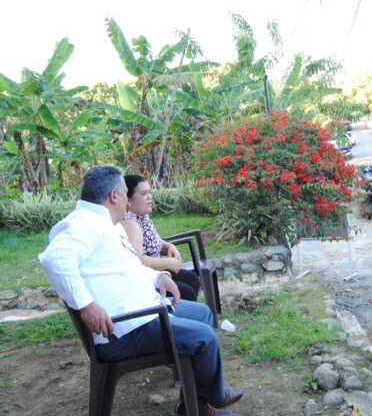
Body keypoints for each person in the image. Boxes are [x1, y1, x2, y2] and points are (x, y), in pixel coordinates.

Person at [39, 165, 242, 415]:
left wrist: (158, 276)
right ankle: (211, 398)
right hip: (125, 329)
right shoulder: (84, 223)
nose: (127, 200)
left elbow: (129, 265)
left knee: (203, 314)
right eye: (126, 193)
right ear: (114, 196)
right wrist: (87, 306)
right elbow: (55, 259)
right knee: (204, 337)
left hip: (145, 312)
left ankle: (193, 401)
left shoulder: (107, 223)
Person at [121, 174, 200, 302]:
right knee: (187, 292)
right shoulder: (129, 223)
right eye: (144, 194)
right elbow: (139, 261)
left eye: (150, 192)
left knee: (191, 279)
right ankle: (176, 313)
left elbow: (152, 241)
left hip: (156, 270)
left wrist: (168, 246)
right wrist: (169, 263)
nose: (149, 197)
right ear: (128, 200)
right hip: (144, 277)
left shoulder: (142, 216)